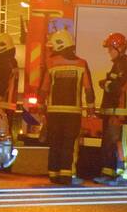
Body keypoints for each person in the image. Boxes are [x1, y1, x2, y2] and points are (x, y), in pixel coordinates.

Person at [39, 29, 95, 186]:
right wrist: (91, 107)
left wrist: (40, 105)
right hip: (73, 112)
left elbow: (44, 88)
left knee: (55, 142)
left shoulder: (51, 63)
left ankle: (53, 174)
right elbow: (88, 88)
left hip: (53, 112)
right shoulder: (81, 63)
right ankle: (65, 176)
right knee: (68, 144)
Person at [96, 32, 127, 186]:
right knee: (110, 145)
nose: (108, 52)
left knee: (121, 144)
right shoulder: (118, 65)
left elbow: (119, 88)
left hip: (120, 113)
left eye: (110, 49)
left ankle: (124, 175)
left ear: (119, 48)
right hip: (113, 112)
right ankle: (108, 174)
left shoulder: (124, 66)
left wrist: (105, 84)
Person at [0, 33, 18, 101]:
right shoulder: (11, 61)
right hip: (3, 99)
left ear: (2, 47)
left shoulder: (3, 63)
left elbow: (0, 85)